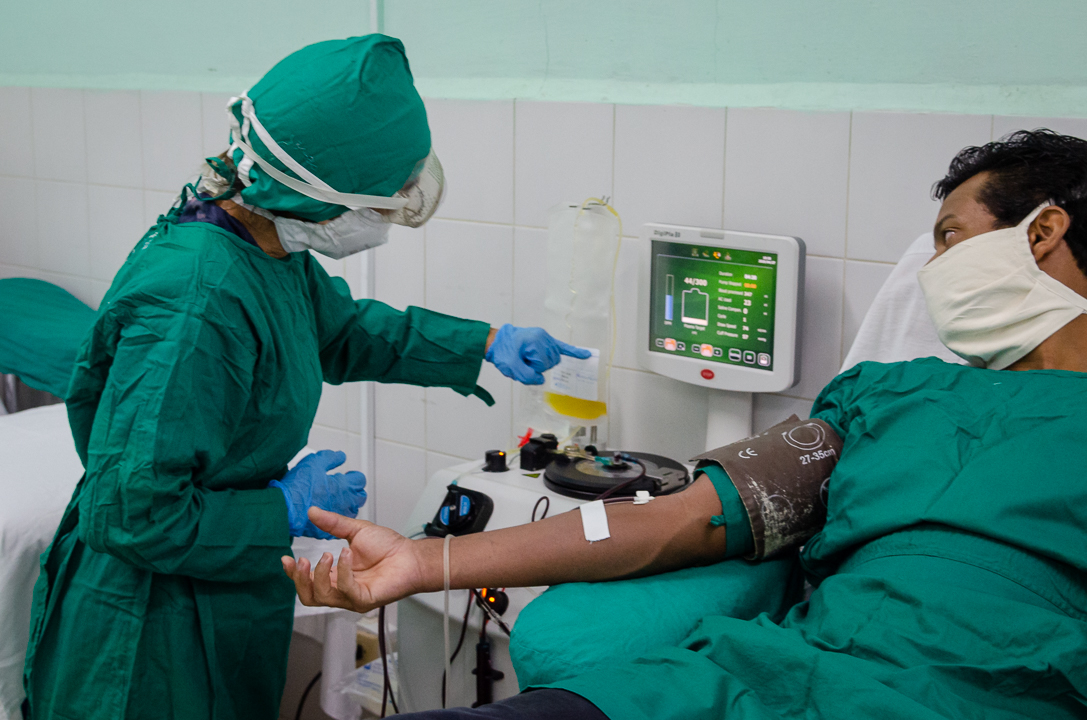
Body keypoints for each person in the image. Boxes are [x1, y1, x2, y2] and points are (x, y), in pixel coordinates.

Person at [286, 129, 1087, 720]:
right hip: (756, 687)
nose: (931, 271)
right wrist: (424, 561)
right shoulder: (887, 397)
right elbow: (679, 518)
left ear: (1042, 232)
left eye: (949, 238)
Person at [22, 35, 588, 720]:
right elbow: (134, 515)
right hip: (144, 635)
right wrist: (282, 509)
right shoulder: (194, 305)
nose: (391, 211)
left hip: (216, 589)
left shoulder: (261, 244)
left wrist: (483, 343)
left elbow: (342, 332)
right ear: (315, 194)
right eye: (384, 199)